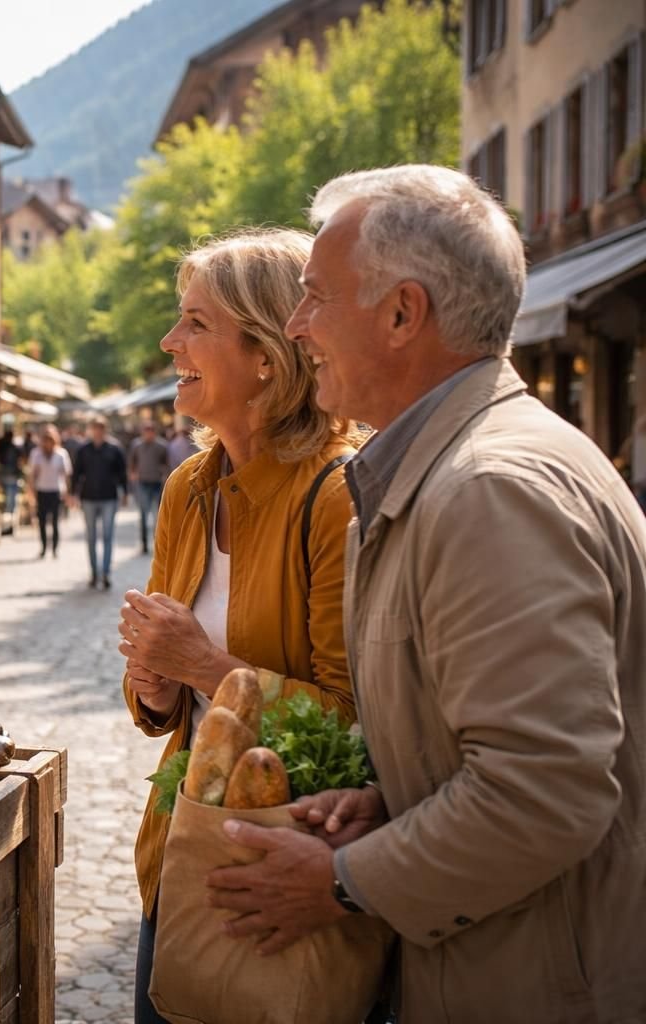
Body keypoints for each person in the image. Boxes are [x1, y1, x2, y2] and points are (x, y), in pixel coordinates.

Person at [208, 166, 646, 1021]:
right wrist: (397, 799)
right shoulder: (459, 467)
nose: (298, 329)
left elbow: (546, 791)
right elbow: (505, 751)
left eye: (315, 299)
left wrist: (340, 882)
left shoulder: (490, 488)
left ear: (403, 313)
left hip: (542, 986)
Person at [115, 229, 362, 1024]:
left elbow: (359, 725)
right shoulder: (188, 486)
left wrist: (201, 664)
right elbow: (166, 707)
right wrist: (153, 684)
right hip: (183, 845)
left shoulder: (337, 493)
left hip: (289, 868)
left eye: (195, 322)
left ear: (266, 353)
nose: (168, 341)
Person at [71, 416, 127, 589]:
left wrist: (124, 493)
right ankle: (94, 573)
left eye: (100, 429)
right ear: (91, 430)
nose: (97, 432)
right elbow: (76, 473)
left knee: (108, 536)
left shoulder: (114, 449)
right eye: (95, 428)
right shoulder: (83, 450)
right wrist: (73, 494)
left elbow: (122, 473)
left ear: (105, 430)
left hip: (109, 497)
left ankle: (106, 573)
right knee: (91, 537)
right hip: (88, 498)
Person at [27, 425, 71, 559]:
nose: (48, 443)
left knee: (55, 522)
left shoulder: (61, 454)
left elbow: (66, 474)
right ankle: (44, 547)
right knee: (41, 521)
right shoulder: (36, 454)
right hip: (41, 490)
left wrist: (68, 493)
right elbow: (32, 474)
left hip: (56, 491)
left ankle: (55, 548)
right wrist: (31, 490)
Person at [128, 422, 171, 555]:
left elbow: (166, 463)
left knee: (157, 515)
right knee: (143, 514)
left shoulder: (162, 446)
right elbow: (132, 461)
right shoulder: (137, 445)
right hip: (142, 483)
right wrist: (133, 473)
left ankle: (158, 543)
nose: (148, 434)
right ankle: (144, 544)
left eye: (151, 431)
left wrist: (164, 474)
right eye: (146, 431)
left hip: (157, 483)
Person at [0, 428, 23, 535]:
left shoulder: (5, 448)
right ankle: (8, 526)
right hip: (11, 478)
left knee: (8, 503)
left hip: (7, 477)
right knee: (10, 504)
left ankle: (8, 526)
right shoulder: (14, 448)